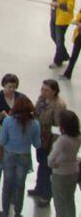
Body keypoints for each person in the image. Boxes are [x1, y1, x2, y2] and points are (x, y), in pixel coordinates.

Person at [0, 96, 41, 217]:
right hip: (24, 157)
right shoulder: (35, 124)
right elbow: (37, 144)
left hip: (9, 155)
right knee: (20, 186)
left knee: (7, 185)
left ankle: (5, 212)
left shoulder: (8, 121)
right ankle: (18, 213)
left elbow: (1, 141)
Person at [29, 79, 67, 207]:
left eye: (47, 90)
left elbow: (58, 128)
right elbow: (35, 112)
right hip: (40, 138)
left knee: (47, 168)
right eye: (42, 89)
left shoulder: (59, 106)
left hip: (49, 141)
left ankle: (46, 195)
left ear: (54, 91)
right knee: (41, 164)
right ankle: (39, 187)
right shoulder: (42, 99)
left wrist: (54, 147)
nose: (43, 92)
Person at [0, 73, 25, 201]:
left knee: (12, 167)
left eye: (14, 87)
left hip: (13, 138)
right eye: (9, 87)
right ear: (4, 85)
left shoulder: (20, 98)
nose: (12, 90)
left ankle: (12, 193)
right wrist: (3, 115)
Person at [48, 110, 81, 217]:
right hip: (74, 171)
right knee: (69, 200)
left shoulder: (62, 141)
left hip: (60, 173)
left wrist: (54, 164)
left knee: (59, 203)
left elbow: (51, 159)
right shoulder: (78, 137)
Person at [49, 0, 75, 69]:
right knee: (53, 35)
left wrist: (58, 5)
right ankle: (64, 55)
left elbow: (70, 7)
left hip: (62, 20)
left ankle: (58, 61)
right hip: (54, 17)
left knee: (59, 41)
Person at [60, 6, 81, 80]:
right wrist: (76, 22)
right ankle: (67, 74)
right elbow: (78, 19)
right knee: (74, 56)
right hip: (79, 35)